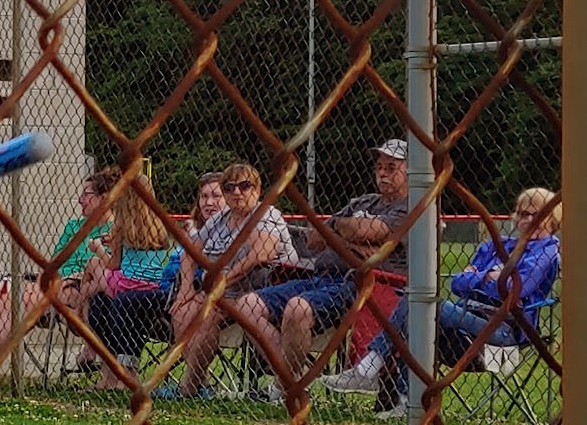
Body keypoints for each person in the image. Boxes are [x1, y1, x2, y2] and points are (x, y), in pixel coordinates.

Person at [327, 186, 561, 410]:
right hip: (469, 317)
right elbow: (458, 284)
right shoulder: (495, 246)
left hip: (504, 328)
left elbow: (515, 288)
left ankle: (369, 368)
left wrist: (480, 277)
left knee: (422, 305)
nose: (526, 220)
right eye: (521, 213)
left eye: (533, 214)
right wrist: (490, 276)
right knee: (419, 321)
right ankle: (405, 401)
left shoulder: (547, 252)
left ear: (551, 219)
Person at [231, 140, 410, 395]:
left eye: (391, 167)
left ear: (409, 172)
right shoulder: (365, 202)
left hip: (359, 285)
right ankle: (290, 380)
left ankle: (283, 388)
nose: (382, 173)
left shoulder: (409, 208)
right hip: (319, 278)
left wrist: (336, 230)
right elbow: (315, 238)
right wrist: (350, 237)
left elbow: (374, 231)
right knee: (247, 305)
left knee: (298, 308)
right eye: (379, 167)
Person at [0, 167, 121, 383]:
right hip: (57, 285)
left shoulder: (116, 229)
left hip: (83, 289)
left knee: (28, 299)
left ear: (103, 198)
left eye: (86, 195)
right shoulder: (74, 226)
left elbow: (109, 269)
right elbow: (56, 264)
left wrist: (67, 278)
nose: (79, 200)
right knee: (11, 297)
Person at [160, 162, 299, 399]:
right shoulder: (221, 218)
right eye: (230, 187)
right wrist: (185, 290)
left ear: (257, 189)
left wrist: (223, 278)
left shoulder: (266, 213)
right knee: (183, 311)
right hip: (224, 293)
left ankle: (289, 383)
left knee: (214, 310)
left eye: (245, 186)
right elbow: (189, 254)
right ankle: (194, 386)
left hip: (265, 290)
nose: (237, 193)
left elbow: (260, 254)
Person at [81, 174, 178, 384]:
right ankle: (106, 368)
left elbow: (113, 265)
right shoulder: (160, 226)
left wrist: (99, 248)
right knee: (99, 299)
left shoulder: (119, 226)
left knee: (93, 266)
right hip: (151, 286)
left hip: (124, 284)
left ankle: (84, 326)